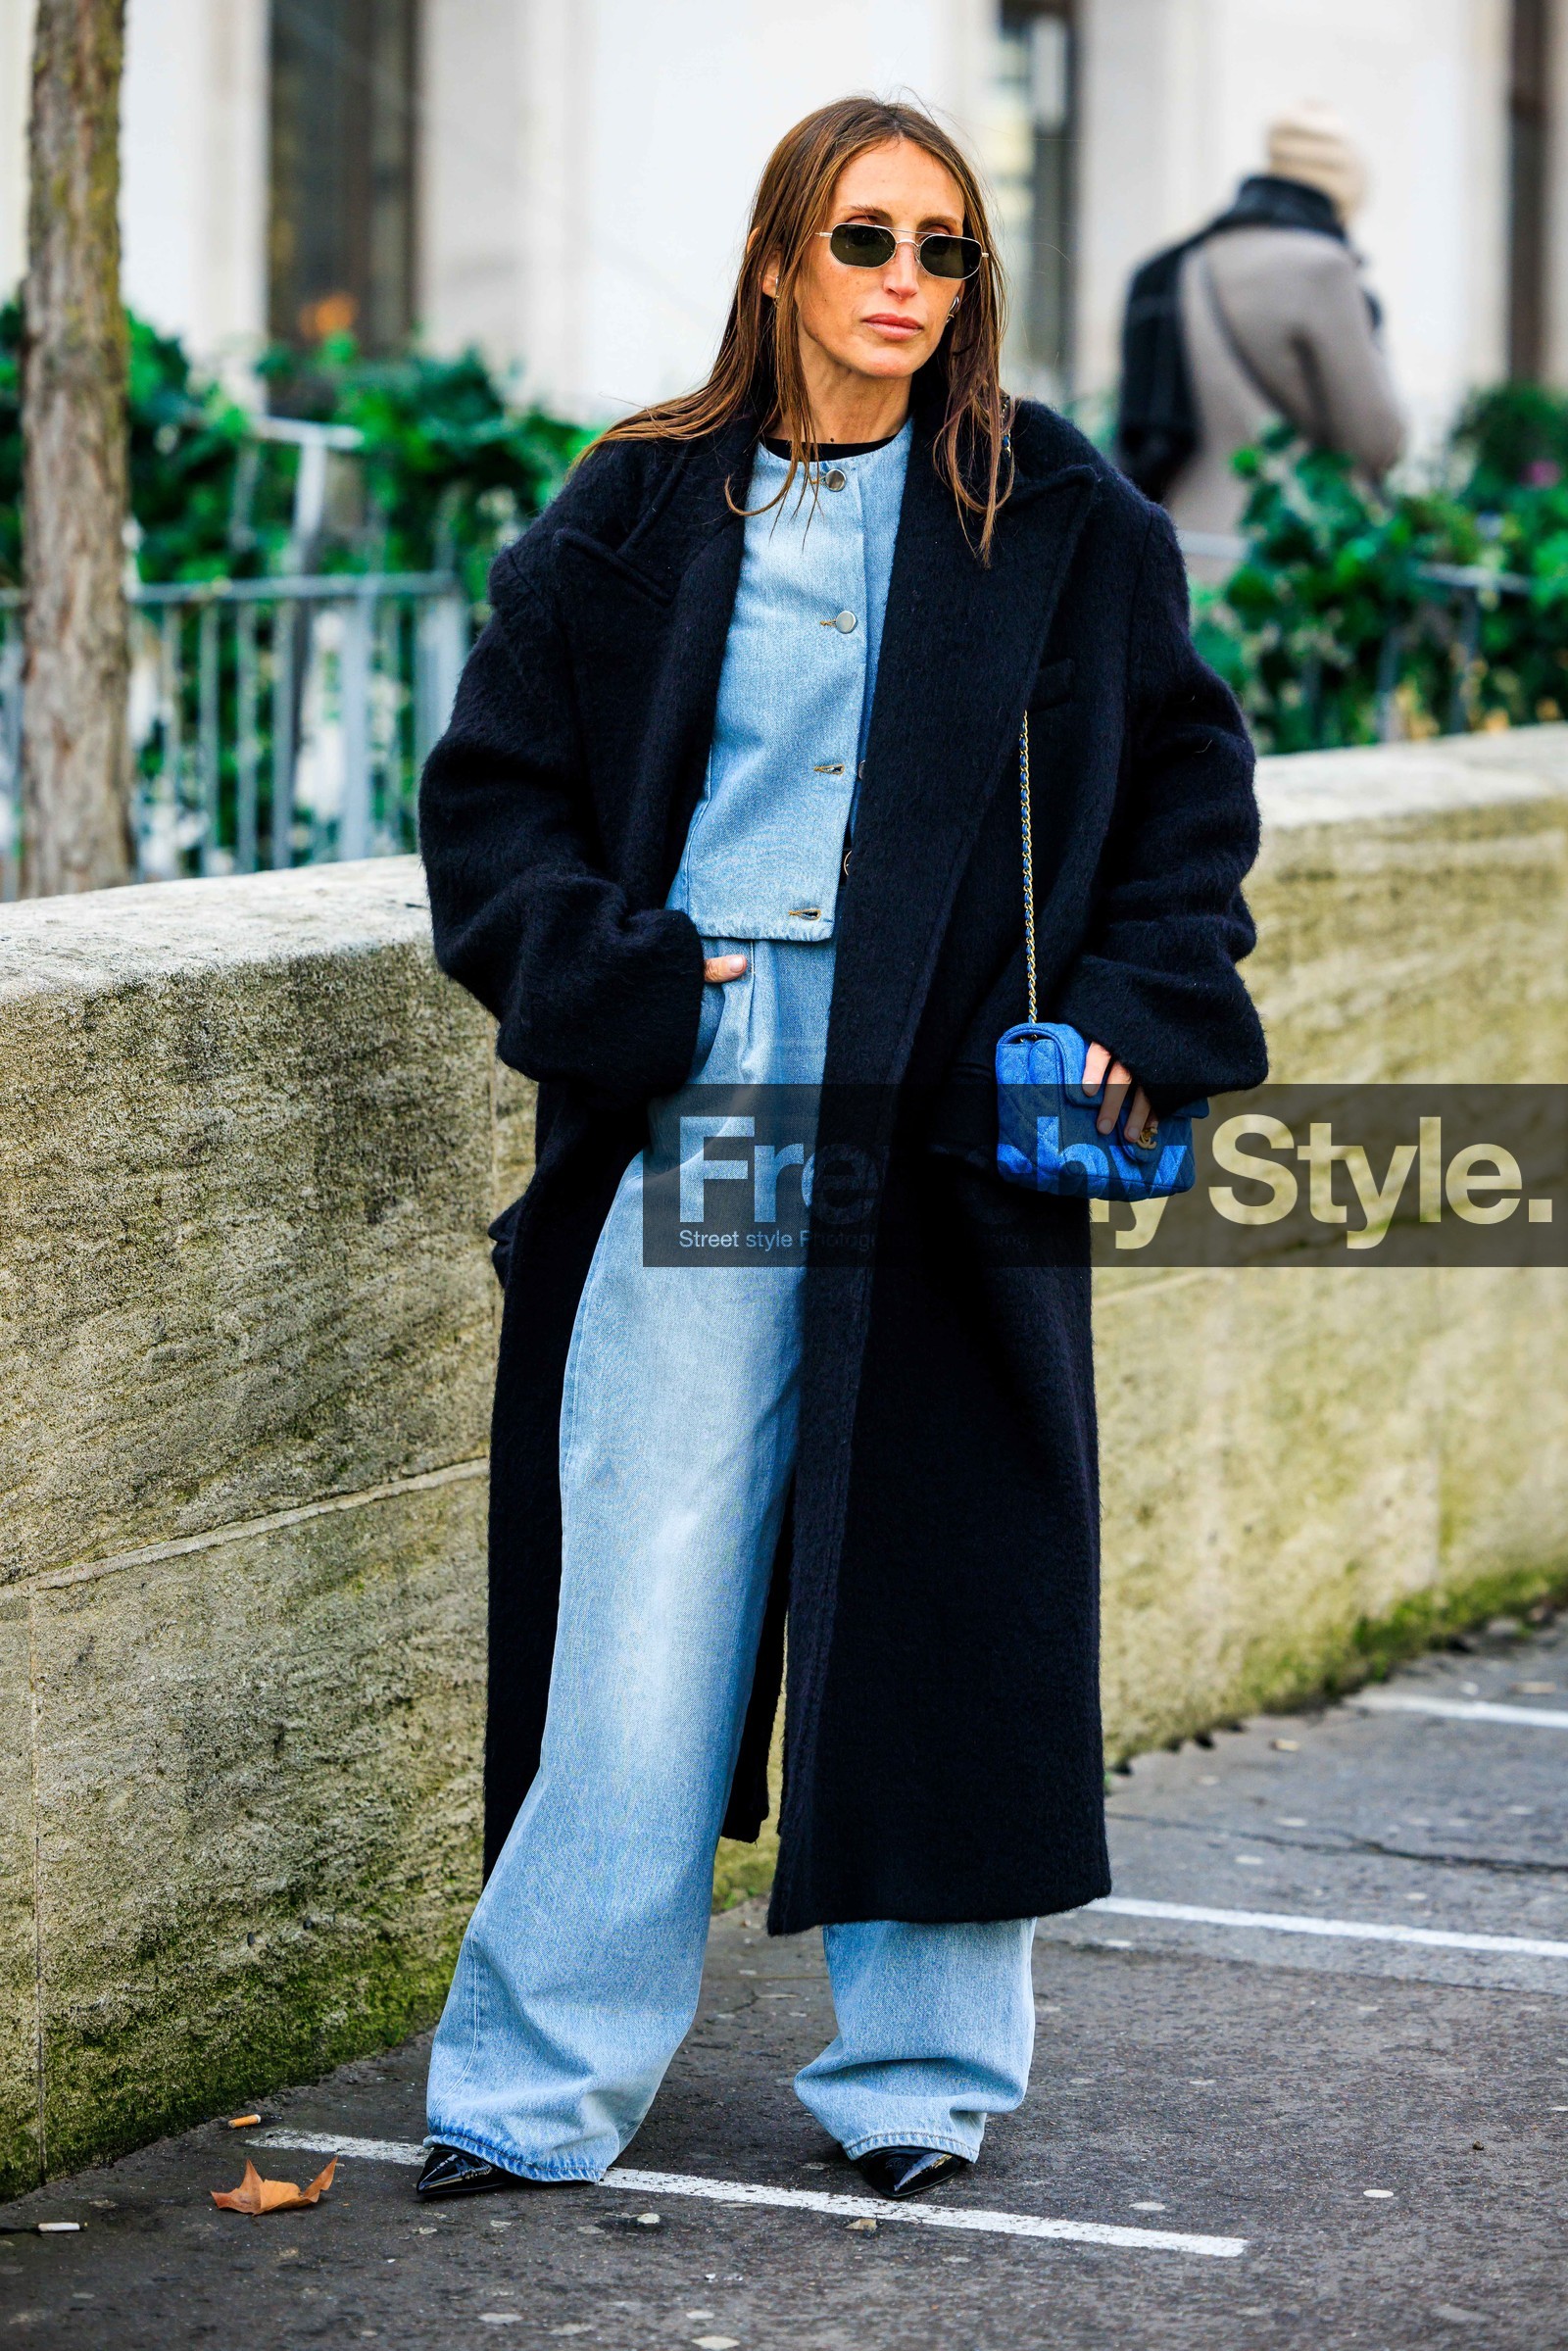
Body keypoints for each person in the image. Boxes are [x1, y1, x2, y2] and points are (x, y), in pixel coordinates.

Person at [415, 94, 1267, 2208]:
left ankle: (920, 2075)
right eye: (866, 238)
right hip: (710, 1082)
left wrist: (1130, 1018)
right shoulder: (633, 503)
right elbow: (493, 800)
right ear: (782, 256)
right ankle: (527, 2086)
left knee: (940, 1582)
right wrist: (627, 981)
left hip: (949, 1095)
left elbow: (1188, 797)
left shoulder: (1051, 510)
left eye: (943, 248)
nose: (906, 281)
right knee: (645, 1579)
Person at [1118, 101, 1405, 550]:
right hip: (1293, 547)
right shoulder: (1324, 268)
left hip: (1191, 537)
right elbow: (1377, 440)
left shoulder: (1186, 262)